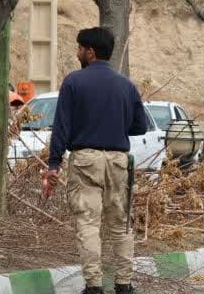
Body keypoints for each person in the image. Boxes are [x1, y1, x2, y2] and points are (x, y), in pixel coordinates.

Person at [42, 27, 147, 294]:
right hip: (118, 161)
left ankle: (94, 286)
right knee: (120, 222)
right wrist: (114, 126)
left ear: (90, 52)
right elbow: (140, 126)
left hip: (85, 159)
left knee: (88, 223)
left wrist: (54, 164)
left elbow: (61, 127)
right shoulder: (126, 85)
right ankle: (124, 285)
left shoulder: (74, 82)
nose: (77, 52)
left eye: (79, 48)